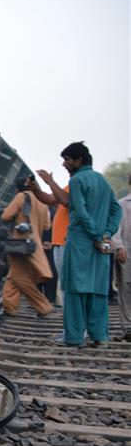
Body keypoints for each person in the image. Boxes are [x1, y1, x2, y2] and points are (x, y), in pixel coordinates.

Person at [59, 142, 122, 347]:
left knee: (75, 290)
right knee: (98, 290)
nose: (64, 164)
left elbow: (80, 211)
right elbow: (116, 210)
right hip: (101, 245)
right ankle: (100, 337)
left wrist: (95, 235)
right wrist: (106, 233)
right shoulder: (102, 181)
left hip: (81, 242)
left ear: (79, 160)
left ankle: (75, 337)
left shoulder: (77, 180)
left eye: (67, 159)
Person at [1, 175, 53, 317]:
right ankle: (10, 306)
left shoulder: (21, 197)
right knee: (15, 275)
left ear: (18, 188)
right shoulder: (43, 202)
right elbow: (48, 225)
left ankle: (43, 306)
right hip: (35, 245)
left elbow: (6, 216)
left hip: (20, 243)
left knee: (18, 277)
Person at [31, 170, 70, 306]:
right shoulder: (38, 211)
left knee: (54, 275)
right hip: (43, 245)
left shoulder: (58, 209)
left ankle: (52, 299)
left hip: (56, 244)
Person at [110, 173, 131, 340]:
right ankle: (128, 328)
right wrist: (118, 247)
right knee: (126, 290)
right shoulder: (122, 205)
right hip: (127, 253)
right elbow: (114, 229)